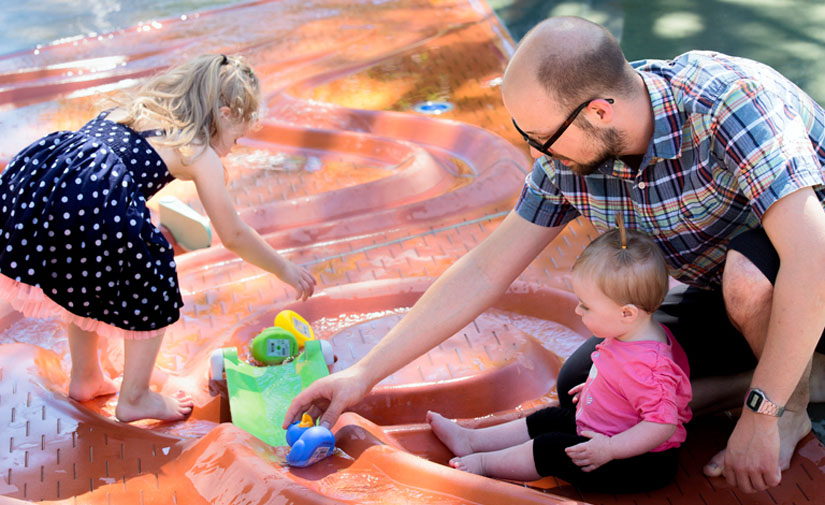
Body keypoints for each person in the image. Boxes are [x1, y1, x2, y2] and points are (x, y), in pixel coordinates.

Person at [285, 16, 825, 494]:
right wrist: (363, 373)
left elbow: (811, 255)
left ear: (598, 110)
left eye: (541, 138)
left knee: (749, 278)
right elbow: (485, 268)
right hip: (734, 293)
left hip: (806, 270)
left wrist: (763, 413)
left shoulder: (728, 102)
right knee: (584, 382)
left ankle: (794, 405)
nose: (537, 155)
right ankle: (802, 372)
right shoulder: (573, 157)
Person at [0, 54, 316, 423]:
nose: (234, 146)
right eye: (237, 136)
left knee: (79, 275)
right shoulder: (200, 150)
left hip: (46, 187)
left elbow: (107, 172)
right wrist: (284, 268)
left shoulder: (132, 112)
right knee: (153, 280)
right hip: (89, 201)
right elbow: (232, 233)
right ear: (225, 114)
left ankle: (86, 376)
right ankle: (136, 397)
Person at [427, 227, 691, 492]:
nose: (578, 309)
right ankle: (471, 440)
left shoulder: (649, 365)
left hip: (637, 464)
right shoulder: (632, 332)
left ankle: (484, 463)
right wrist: (601, 389)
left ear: (627, 313)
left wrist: (609, 449)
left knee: (552, 448)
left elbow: (662, 424)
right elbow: (624, 382)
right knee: (550, 417)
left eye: (586, 306)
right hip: (607, 432)